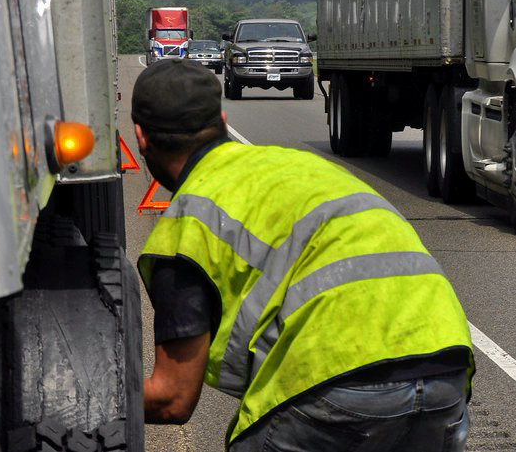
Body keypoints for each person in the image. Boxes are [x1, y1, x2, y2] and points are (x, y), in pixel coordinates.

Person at [132, 59, 474, 451]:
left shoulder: (187, 224)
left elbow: (172, 398)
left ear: (141, 137)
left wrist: (79, 404)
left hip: (337, 385)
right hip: (445, 362)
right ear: (223, 120)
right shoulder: (302, 167)